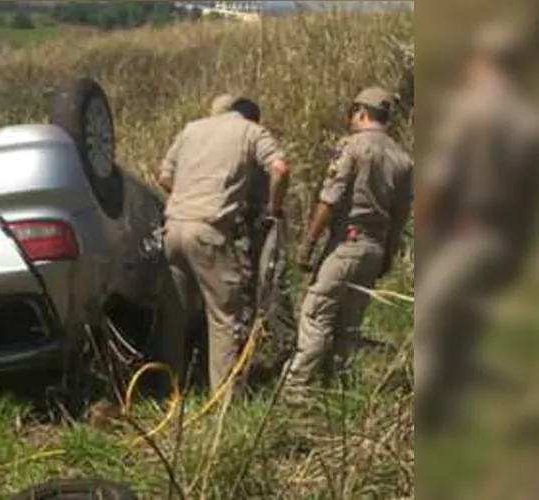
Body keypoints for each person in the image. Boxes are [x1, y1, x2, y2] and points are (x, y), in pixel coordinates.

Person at [415, 22, 539, 431]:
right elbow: (532, 203)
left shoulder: (470, 109)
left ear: (482, 62)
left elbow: (440, 176)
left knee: (430, 320)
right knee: (465, 324)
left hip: (465, 232)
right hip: (504, 241)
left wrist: (423, 226)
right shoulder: (534, 123)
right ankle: (448, 419)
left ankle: (422, 420)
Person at [282, 87, 413, 398]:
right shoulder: (404, 159)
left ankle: (296, 391)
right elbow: (401, 215)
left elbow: (330, 198)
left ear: (361, 113)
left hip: (346, 245)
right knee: (349, 323)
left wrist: (308, 242)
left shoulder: (351, 147)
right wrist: (388, 254)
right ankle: (340, 390)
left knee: (316, 314)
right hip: (374, 248)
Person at [157, 95, 292, 393]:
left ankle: (168, 391)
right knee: (224, 318)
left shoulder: (192, 129)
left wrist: (187, 197)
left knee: (174, 316)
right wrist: (273, 208)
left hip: (172, 229)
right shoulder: (251, 131)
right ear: (252, 117)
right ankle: (224, 402)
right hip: (207, 232)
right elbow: (280, 169)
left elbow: (163, 174)